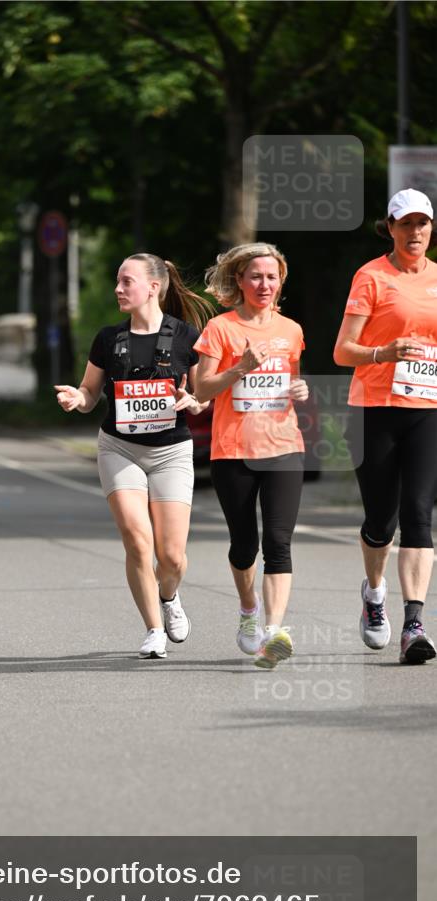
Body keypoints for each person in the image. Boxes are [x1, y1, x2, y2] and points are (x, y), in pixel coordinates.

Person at [55, 253, 212, 659]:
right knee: (137, 542)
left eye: (127, 282)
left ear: (153, 287)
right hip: (119, 449)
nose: (118, 289)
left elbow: (199, 397)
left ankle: (169, 595)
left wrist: (191, 402)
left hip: (171, 452)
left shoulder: (186, 336)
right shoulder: (108, 339)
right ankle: (153, 629)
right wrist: (78, 397)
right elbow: (90, 394)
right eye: (118, 281)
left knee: (172, 557)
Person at [333, 188, 437, 665]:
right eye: (406, 224)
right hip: (375, 407)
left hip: (427, 411)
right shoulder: (371, 277)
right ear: (390, 228)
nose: (415, 233)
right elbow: (342, 350)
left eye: (423, 224)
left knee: (419, 513)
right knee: (381, 521)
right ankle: (374, 592)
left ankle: (414, 624)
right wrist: (384, 352)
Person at [194, 243, 309, 669]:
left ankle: (275, 631)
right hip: (233, 450)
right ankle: (248, 610)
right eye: (256, 276)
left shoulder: (292, 330)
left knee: (278, 542)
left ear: (281, 282)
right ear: (239, 281)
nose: (265, 284)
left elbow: (290, 383)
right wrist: (239, 367)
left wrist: (300, 390)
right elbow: (202, 391)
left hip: (284, 447)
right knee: (245, 545)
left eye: (272, 277)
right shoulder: (220, 329)